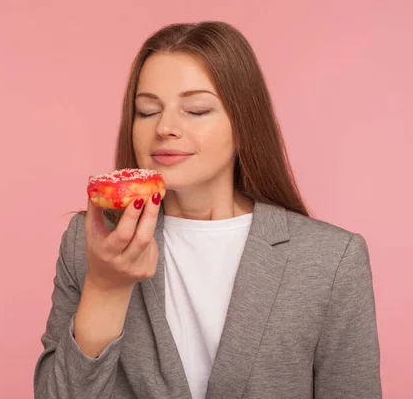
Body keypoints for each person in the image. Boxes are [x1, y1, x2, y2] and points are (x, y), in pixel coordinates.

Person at [33, 21, 382, 399]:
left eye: (196, 110)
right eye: (147, 111)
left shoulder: (331, 260)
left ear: (244, 124)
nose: (165, 127)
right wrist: (105, 287)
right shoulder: (87, 243)